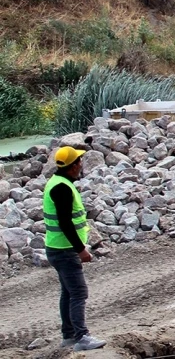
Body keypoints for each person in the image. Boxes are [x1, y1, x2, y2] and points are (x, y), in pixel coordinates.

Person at [43, 146, 106, 351]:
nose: (81, 165)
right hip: (64, 250)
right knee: (78, 292)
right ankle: (81, 337)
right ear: (72, 166)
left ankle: (69, 336)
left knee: (68, 292)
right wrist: (81, 249)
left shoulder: (57, 182)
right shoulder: (62, 188)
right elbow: (65, 223)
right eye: (78, 162)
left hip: (56, 248)